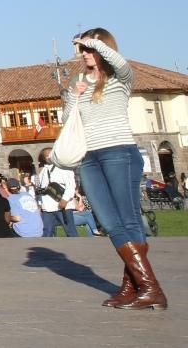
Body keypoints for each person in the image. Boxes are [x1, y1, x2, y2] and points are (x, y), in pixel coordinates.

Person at [67, 29, 164, 309]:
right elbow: (69, 120)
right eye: (82, 49)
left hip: (118, 152)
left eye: (89, 49)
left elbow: (119, 61)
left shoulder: (121, 78)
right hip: (88, 157)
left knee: (128, 221)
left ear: (102, 47)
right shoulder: (78, 82)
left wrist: (91, 40)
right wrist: (74, 95)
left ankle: (145, 287)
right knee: (109, 223)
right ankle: (139, 286)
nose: (84, 53)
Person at [35, 147, 79, 237]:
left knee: (70, 231)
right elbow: (41, 189)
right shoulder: (43, 170)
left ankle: (77, 249)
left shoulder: (64, 168)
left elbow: (71, 186)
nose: (48, 157)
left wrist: (65, 200)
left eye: (50, 155)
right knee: (47, 231)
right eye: (46, 156)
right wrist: (40, 204)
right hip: (47, 207)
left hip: (62, 205)